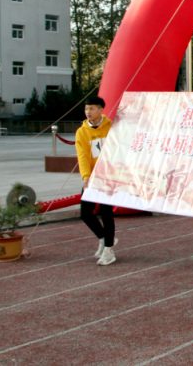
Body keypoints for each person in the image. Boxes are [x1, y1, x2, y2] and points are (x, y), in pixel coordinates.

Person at [77, 96, 117, 266]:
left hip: (109, 176)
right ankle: (104, 238)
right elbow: (83, 156)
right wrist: (86, 177)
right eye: (86, 109)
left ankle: (109, 250)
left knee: (106, 213)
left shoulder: (112, 127)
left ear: (101, 110)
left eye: (92, 108)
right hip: (93, 177)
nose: (88, 112)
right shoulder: (82, 132)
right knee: (85, 213)